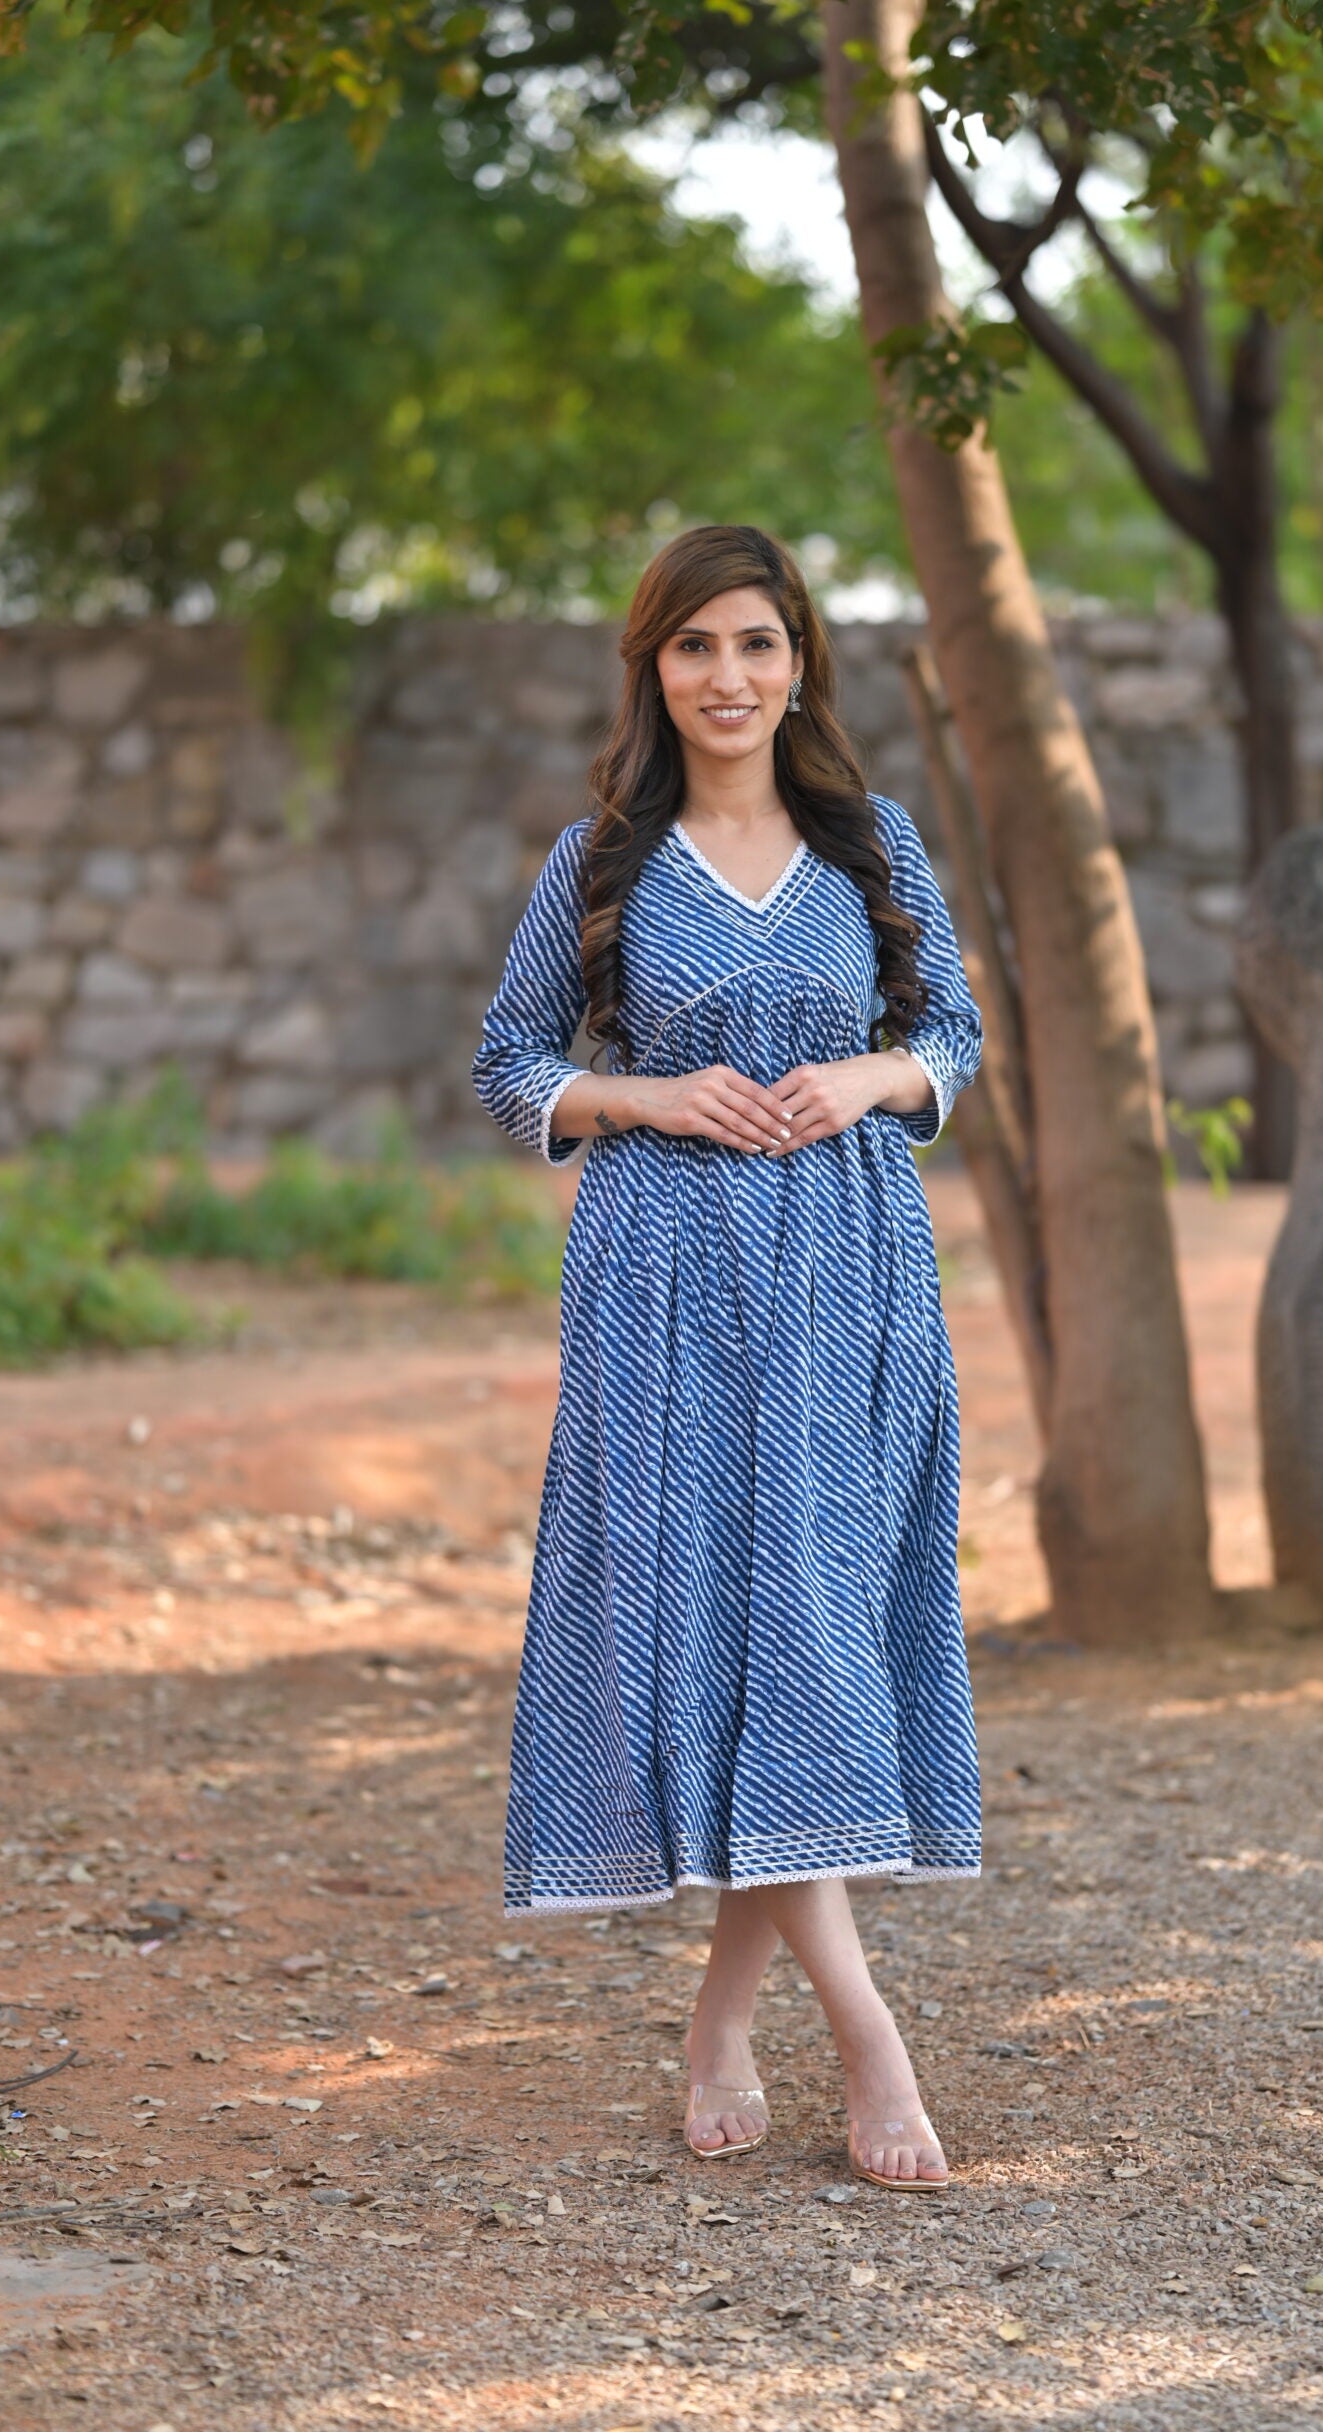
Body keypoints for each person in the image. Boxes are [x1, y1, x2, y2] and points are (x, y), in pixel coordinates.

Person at [471, 523, 984, 2192]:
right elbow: (508, 1062)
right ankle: (868, 2036)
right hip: (662, 1286)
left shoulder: (875, 846)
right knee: (718, 1628)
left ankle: (723, 2015)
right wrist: (644, 1097)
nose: (729, 678)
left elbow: (956, 1038)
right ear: (654, 670)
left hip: (850, 1278)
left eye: (758, 644)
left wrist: (872, 1081)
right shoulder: (601, 860)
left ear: (800, 663)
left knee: (817, 1633)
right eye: (695, 648)